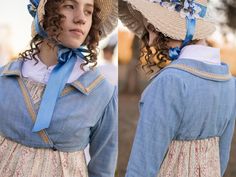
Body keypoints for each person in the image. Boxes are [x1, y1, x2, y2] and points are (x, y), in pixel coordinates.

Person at [0, 0, 118, 176]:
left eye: (88, 12)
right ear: (47, 12)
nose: (81, 19)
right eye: (70, 6)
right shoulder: (5, 77)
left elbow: (103, 168)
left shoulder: (101, 92)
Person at [119, 0, 236, 176]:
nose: (150, 42)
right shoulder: (230, 83)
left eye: (152, 28)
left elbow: (142, 166)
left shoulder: (169, 83)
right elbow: (222, 158)